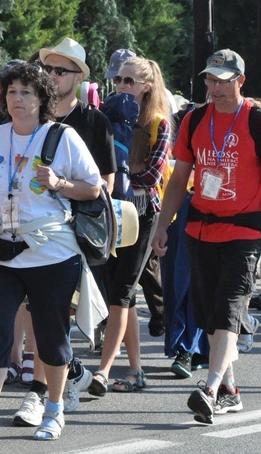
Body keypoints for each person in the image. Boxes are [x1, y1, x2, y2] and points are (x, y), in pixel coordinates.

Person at [0, 62, 102, 447]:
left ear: (41, 99)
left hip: (50, 252)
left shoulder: (62, 137)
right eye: (12, 92)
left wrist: (60, 183)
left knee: (52, 339)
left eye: (26, 93)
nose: (17, 99)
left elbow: (94, 188)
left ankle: (54, 409)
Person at [152, 49, 261, 424]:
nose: (213, 87)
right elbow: (179, 178)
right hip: (200, 229)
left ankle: (211, 388)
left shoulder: (257, 121)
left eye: (221, 80)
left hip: (245, 231)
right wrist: (163, 225)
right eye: (209, 80)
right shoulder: (196, 119)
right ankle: (230, 390)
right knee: (212, 317)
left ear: (240, 81)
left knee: (230, 309)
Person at [36, 38, 117, 412]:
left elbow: (106, 184)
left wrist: (63, 189)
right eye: (47, 69)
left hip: (75, 230)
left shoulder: (93, 120)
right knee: (36, 312)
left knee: (58, 312)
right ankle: (61, 379)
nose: (51, 76)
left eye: (60, 70)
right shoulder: (33, 115)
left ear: (78, 77)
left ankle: (58, 386)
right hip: (33, 228)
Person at [89, 56, 171, 396]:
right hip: (112, 212)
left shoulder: (158, 124)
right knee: (122, 296)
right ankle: (136, 370)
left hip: (142, 214)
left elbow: (152, 176)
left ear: (146, 86)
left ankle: (104, 371)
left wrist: (121, 173)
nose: (121, 86)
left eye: (129, 82)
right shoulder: (109, 117)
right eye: (119, 81)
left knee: (120, 295)